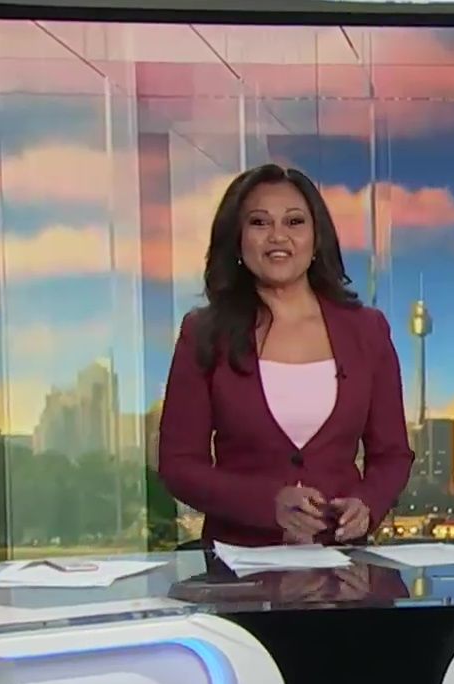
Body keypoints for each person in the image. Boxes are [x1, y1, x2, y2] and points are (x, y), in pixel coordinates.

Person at [157, 164, 413, 549]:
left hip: (342, 566)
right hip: (239, 564)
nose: (278, 236)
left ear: (317, 237)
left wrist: (367, 504)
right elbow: (179, 466)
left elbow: (392, 455)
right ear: (237, 240)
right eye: (259, 223)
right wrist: (267, 504)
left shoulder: (367, 331)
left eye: (294, 222)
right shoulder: (203, 333)